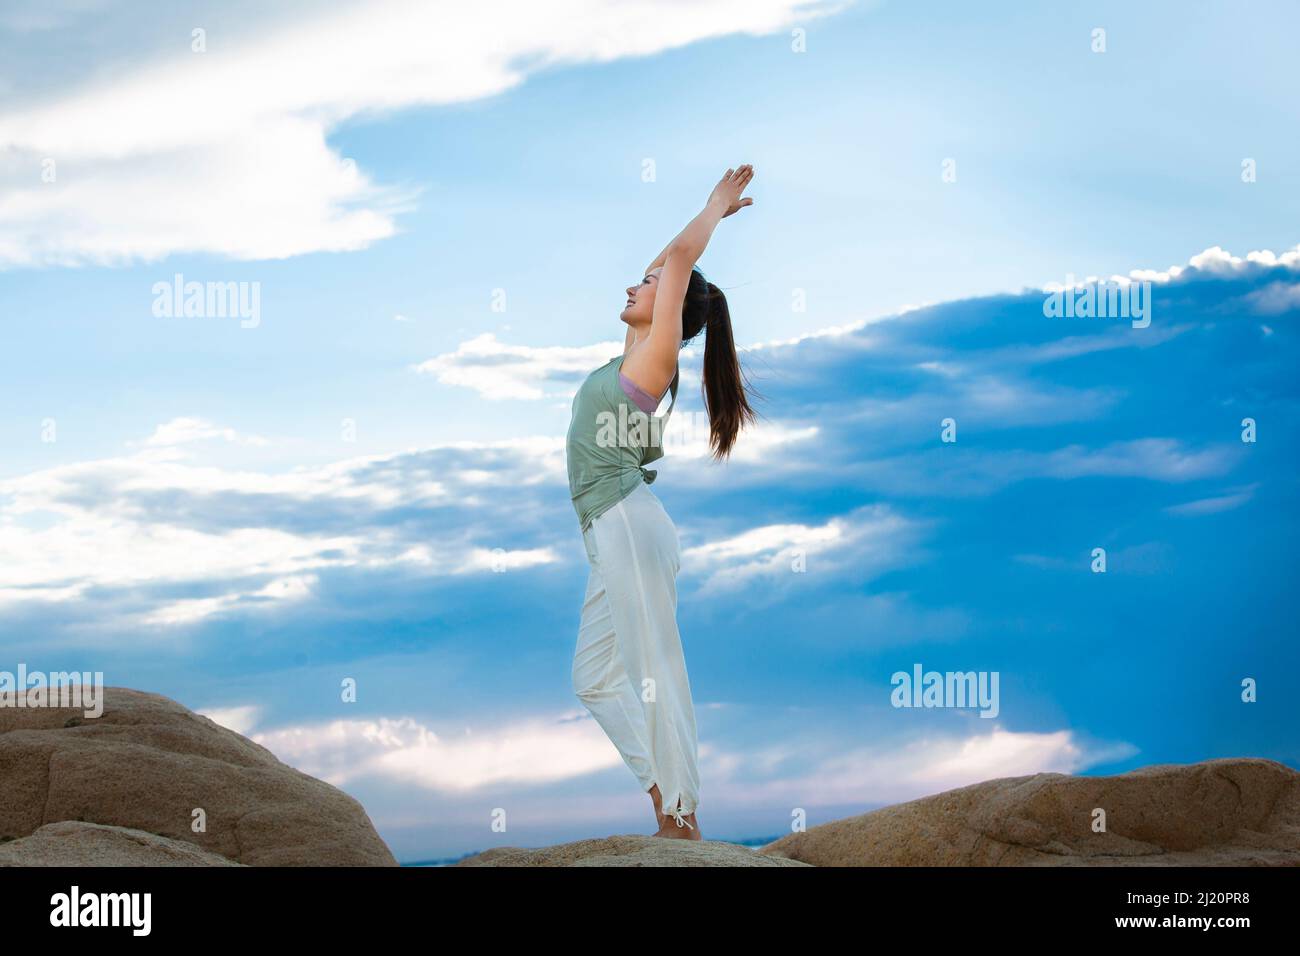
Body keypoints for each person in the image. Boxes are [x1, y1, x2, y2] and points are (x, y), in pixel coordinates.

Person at [565, 165, 758, 839]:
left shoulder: (657, 360)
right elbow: (665, 261)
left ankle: (682, 816)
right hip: (607, 529)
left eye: (647, 286)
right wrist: (696, 230)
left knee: (653, 671)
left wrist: (711, 208)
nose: (633, 283)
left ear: (671, 307)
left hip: (628, 521)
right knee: (593, 677)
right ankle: (662, 791)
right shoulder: (633, 350)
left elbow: (676, 262)